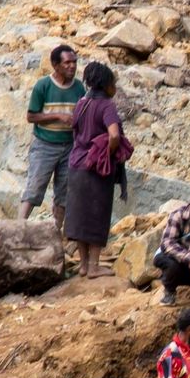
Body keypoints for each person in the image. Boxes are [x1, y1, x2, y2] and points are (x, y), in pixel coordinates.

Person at [64, 61, 127, 278]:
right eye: (114, 83)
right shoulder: (106, 105)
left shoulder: (81, 103)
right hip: (96, 167)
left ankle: (82, 265)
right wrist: (107, 155)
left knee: (80, 215)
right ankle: (94, 267)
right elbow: (114, 135)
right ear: (106, 83)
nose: (115, 88)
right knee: (97, 214)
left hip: (76, 163)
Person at [18, 44, 85, 228]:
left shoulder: (79, 88)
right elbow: (31, 116)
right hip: (45, 145)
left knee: (64, 191)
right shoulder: (43, 86)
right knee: (35, 186)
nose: (72, 66)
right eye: (67, 63)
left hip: (69, 146)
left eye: (74, 62)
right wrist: (57, 116)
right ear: (56, 65)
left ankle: (56, 231)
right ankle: (18, 227)